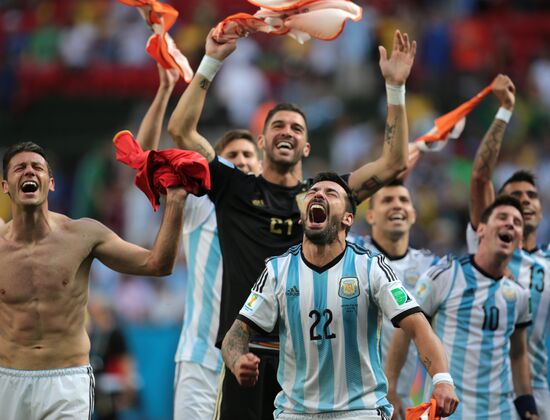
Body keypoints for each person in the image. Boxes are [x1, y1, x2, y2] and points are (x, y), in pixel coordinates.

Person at [168, 28, 417, 420]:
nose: (287, 132)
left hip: (308, 362)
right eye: (278, 126)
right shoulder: (235, 187)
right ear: (262, 141)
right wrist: (212, 59)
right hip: (244, 351)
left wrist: (396, 89)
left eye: (296, 128)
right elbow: (181, 132)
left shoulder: (320, 196)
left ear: (307, 147)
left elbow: (393, 163)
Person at [221, 172, 458, 419]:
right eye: (313, 192)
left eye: (330, 193)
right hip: (295, 413)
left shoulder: (370, 267)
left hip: (360, 412)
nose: (319, 195)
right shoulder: (277, 271)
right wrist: (237, 361)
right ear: (302, 218)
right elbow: (236, 334)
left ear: (347, 219)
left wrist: (442, 379)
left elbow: (418, 327)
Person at [0, 141, 187, 419]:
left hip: (66, 381)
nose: (29, 172)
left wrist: (176, 200)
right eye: (20, 168)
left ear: (51, 183)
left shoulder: (82, 235)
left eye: (37, 167)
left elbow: (158, 264)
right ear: (5, 186)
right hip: (8, 380)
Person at [129, 65, 263, 419]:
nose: (242, 161)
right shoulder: (201, 203)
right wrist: (164, 91)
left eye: (249, 156)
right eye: (232, 155)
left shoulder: (273, 214)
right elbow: (144, 159)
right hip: (201, 357)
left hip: (259, 359)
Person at [386, 195, 537, 419]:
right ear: (481, 230)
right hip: (450, 411)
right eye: (502, 217)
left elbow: (518, 353)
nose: (510, 224)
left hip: (502, 413)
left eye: (516, 222)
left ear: (520, 242)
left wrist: (527, 404)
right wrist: (392, 388)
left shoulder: (519, 294)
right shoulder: (445, 275)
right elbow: (406, 329)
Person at [467, 74, 550, 418]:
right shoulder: (485, 246)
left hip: (540, 391)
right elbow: (480, 178)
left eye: (532, 196)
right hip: (482, 392)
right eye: (515, 196)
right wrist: (504, 113)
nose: (525, 202)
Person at [349, 178, 440, 418]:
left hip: (404, 400)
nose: (396, 205)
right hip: (349, 399)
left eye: (403, 200)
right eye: (387, 200)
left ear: (413, 215)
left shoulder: (431, 268)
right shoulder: (349, 253)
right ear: (370, 216)